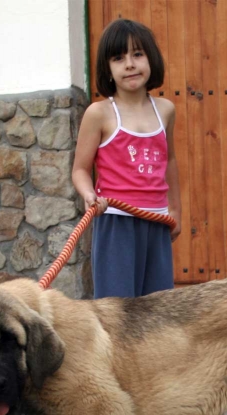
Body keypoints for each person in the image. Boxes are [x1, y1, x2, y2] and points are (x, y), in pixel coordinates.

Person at [72, 18, 181, 301]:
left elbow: (169, 162)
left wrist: (175, 211)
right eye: (118, 58)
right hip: (117, 222)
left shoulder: (165, 110)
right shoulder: (99, 114)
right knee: (116, 309)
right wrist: (88, 195)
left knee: (159, 308)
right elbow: (81, 170)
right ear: (107, 69)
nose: (130, 64)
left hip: (156, 219)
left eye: (137, 54)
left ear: (150, 59)